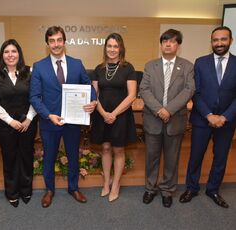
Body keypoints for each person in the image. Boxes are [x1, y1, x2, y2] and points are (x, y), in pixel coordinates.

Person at [30, 26, 97, 208]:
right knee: (49, 157)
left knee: (73, 155)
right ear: (47, 44)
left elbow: (88, 86)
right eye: (52, 41)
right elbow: (34, 97)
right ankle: (49, 190)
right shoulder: (38, 66)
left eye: (59, 40)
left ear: (64, 42)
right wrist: (48, 115)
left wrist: (93, 101)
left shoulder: (77, 63)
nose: (56, 44)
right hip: (49, 122)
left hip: (73, 121)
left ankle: (73, 188)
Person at [179, 26, 236, 208]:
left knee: (220, 157)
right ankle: (191, 187)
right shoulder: (201, 62)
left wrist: (225, 117)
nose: (219, 43)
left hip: (227, 122)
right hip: (202, 119)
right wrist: (209, 115)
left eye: (223, 39)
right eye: (215, 40)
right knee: (195, 156)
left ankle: (213, 189)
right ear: (211, 42)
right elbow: (196, 92)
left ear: (230, 41)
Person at [139, 29, 195, 208]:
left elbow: (189, 90)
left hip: (175, 120)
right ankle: (150, 188)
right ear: (161, 44)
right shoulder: (150, 65)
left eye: (172, 41)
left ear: (178, 45)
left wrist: (169, 110)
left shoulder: (187, 66)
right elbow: (144, 90)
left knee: (172, 158)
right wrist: (159, 110)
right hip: (153, 119)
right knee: (151, 157)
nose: (168, 44)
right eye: (165, 41)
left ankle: (167, 190)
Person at [0, 39, 38, 207]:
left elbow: (36, 97)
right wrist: (10, 121)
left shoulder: (30, 71)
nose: (10, 55)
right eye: (6, 52)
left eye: (14, 51)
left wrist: (29, 118)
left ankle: (26, 190)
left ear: (19, 54)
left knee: (26, 157)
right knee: (9, 158)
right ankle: (12, 192)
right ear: (2, 55)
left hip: (27, 124)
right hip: (5, 125)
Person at [90, 33, 137, 202]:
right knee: (105, 148)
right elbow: (94, 94)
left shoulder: (128, 68)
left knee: (118, 149)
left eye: (115, 46)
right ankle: (106, 183)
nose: (112, 49)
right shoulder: (98, 69)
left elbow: (132, 95)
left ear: (121, 48)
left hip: (121, 115)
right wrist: (103, 113)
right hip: (102, 114)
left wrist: (114, 114)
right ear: (105, 48)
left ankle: (116, 184)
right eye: (109, 46)